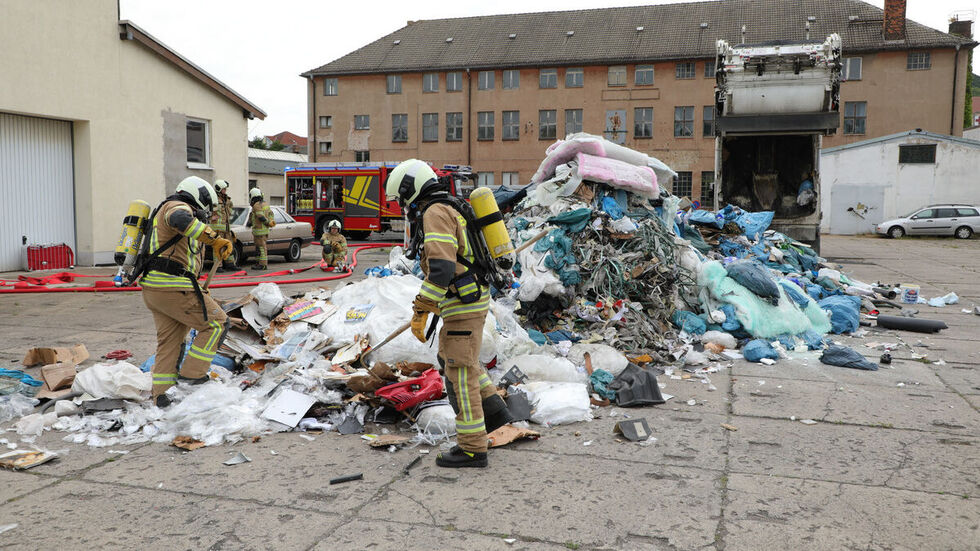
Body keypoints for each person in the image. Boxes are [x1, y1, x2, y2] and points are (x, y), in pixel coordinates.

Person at [385, 159, 512, 468]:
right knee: (454, 358)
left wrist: (421, 308)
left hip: (463, 304)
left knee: (460, 372)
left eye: (402, 199)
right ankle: (495, 411)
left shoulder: (435, 212)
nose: (403, 206)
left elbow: (441, 268)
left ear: (409, 188)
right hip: (468, 300)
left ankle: (472, 448)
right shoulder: (447, 206)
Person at [139, 176, 234, 407]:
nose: (206, 214)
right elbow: (180, 219)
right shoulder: (177, 206)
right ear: (198, 197)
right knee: (216, 324)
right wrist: (215, 240)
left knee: (170, 341)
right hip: (172, 286)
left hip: (156, 289)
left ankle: (162, 396)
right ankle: (193, 377)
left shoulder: (169, 210)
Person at [211, 179, 239, 272]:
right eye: (224, 189)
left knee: (229, 245)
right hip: (217, 229)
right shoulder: (213, 199)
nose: (225, 191)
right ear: (219, 189)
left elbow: (230, 209)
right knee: (218, 247)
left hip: (226, 228)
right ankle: (218, 266)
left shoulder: (226, 199)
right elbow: (209, 211)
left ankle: (230, 264)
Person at [248, 187, 275, 270]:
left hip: (259, 231)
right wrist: (270, 222)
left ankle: (262, 264)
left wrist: (267, 222)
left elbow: (260, 216)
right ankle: (258, 263)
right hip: (264, 230)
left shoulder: (256, 205)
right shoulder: (265, 204)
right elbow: (271, 214)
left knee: (261, 248)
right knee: (259, 248)